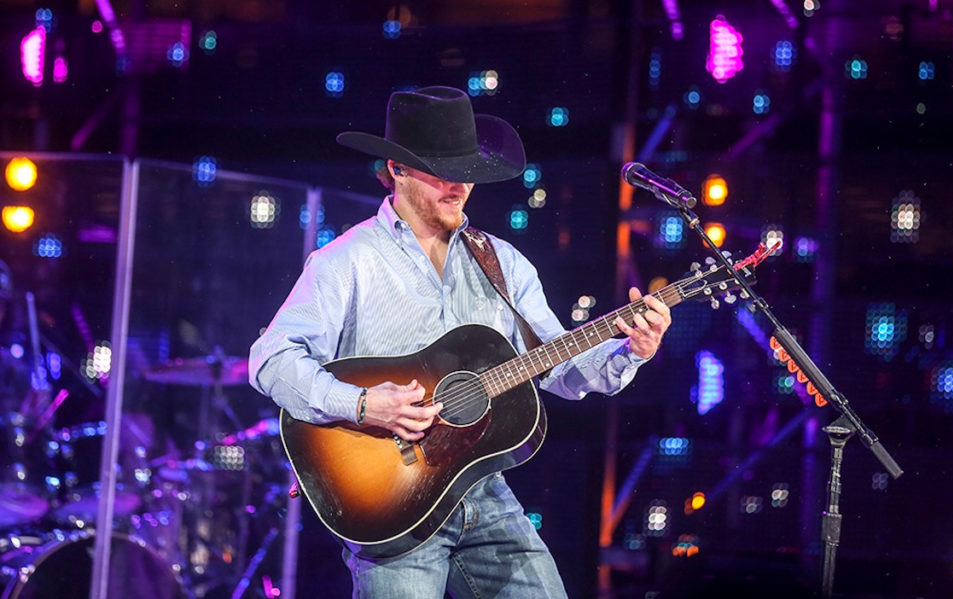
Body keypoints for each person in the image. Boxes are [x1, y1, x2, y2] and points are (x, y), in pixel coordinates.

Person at [248, 86, 672, 597]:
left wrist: (630, 351)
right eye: (441, 171)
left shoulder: (503, 262)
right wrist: (362, 404)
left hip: (485, 494)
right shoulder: (346, 260)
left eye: (467, 170)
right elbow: (271, 358)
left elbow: (559, 366)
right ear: (397, 170)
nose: (460, 186)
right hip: (393, 508)